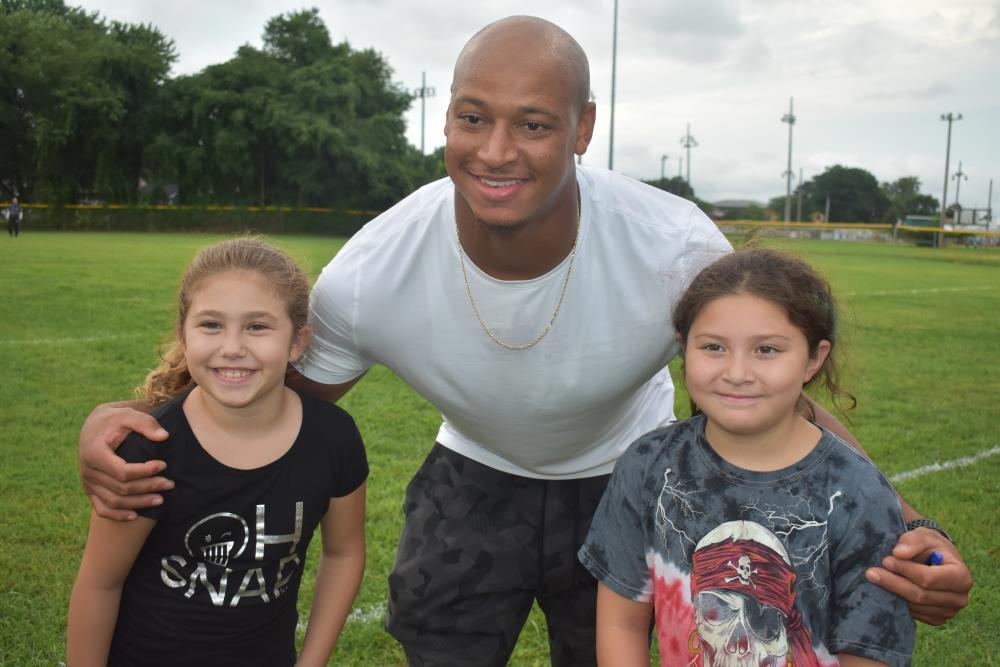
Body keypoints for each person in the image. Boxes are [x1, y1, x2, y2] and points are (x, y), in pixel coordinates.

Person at [76, 16, 970, 666]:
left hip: (631, 475)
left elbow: (778, 399)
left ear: (582, 128)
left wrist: (913, 529)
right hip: (474, 470)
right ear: (447, 121)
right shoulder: (376, 269)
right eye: (472, 117)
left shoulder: (671, 247)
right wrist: (122, 425)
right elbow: (254, 399)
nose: (495, 150)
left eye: (533, 123)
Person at [579, 248, 915, 666]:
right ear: (683, 348)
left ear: (814, 358)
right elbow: (622, 625)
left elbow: (869, 652)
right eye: (714, 347)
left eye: (767, 350)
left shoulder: (858, 495)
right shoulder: (647, 465)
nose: (737, 373)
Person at [67, 238, 368, 666]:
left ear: (297, 341)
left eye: (257, 327)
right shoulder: (150, 448)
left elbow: (343, 553)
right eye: (211, 325)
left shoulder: (333, 438)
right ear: (183, 336)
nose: (232, 347)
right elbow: (100, 584)